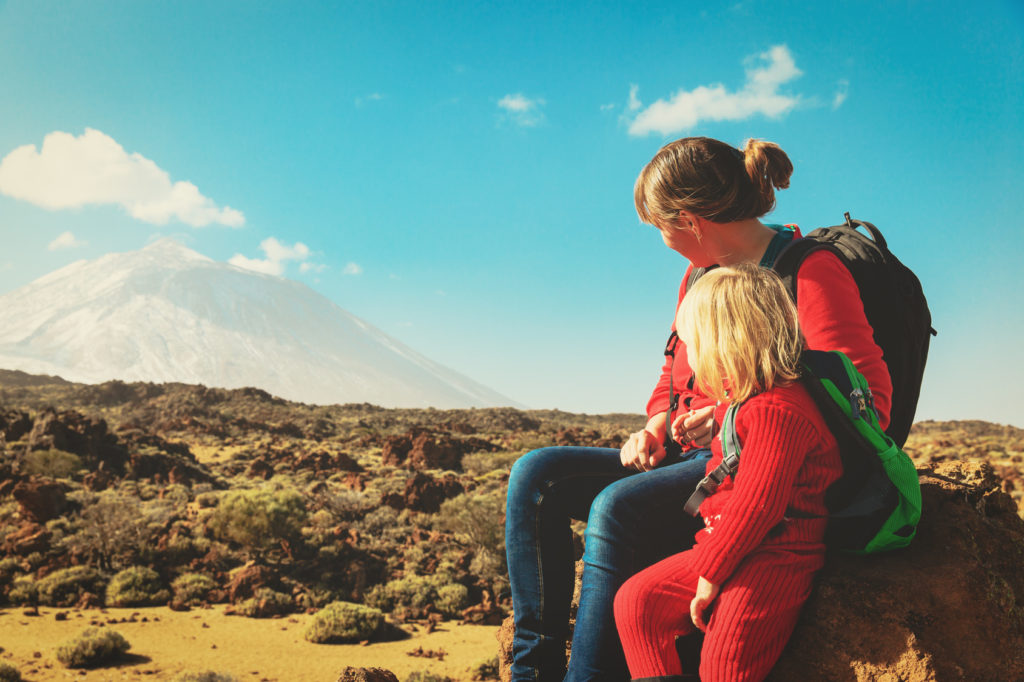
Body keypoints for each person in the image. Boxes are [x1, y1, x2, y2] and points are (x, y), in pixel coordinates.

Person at [504, 136, 891, 681]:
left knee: (615, 508)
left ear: (689, 220)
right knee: (536, 474)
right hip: (690, 456)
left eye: (660, 228)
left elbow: (866, 398)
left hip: (747, 462)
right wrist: (655, 425)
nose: (663, 241)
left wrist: (734, 413)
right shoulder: (700, 274)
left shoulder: (809, 271)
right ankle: (531, 672)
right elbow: (674, 370)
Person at [614, 263, 841, 682]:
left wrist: (711, 574)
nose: (692, 358)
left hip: (776, 557)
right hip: (730, 547)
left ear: (727, 342)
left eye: (695, 344)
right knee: (638, 602)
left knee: (725, 665)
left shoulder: (778, 410)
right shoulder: (747, 402)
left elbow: (758, 507)